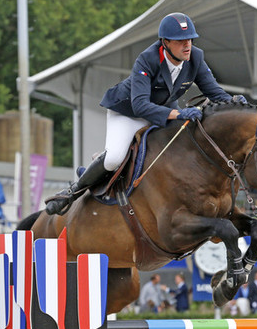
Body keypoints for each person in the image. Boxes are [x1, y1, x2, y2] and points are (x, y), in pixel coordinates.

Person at [45, 12, 243, 215]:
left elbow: (214, 92)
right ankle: (72, 191)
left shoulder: (196, 57)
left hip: (164, 111)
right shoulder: (147, 59)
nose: (187, 45)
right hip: (128, 113)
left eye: (190, 39)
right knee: (114, 158)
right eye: (181, 41)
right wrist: (178, 114)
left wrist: (235, 103)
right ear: (165, 42)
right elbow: (140, 105)